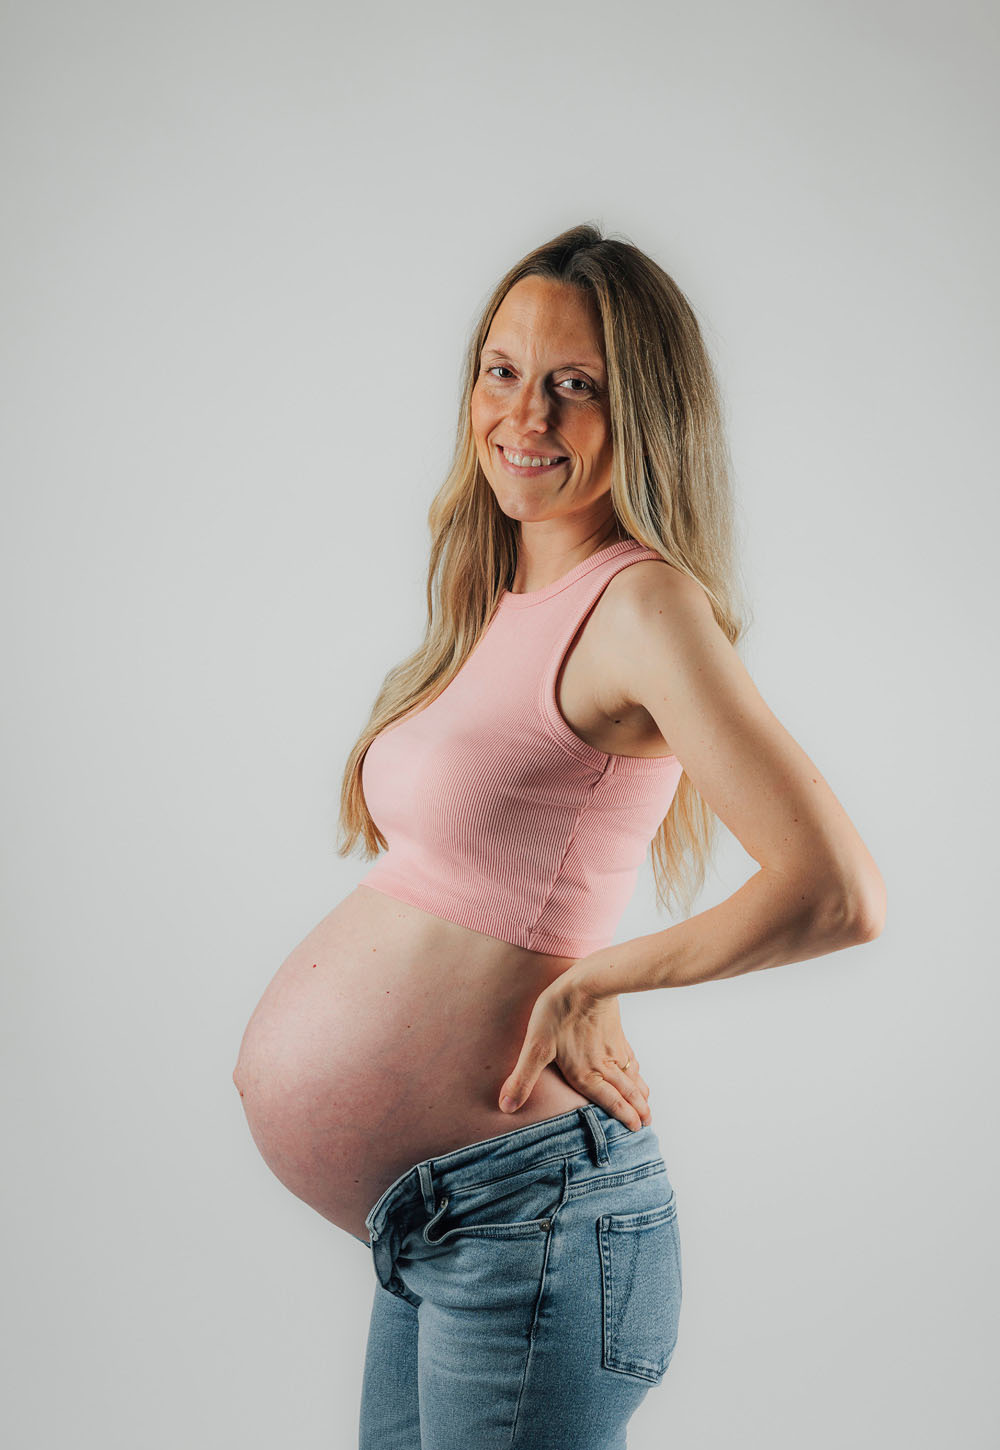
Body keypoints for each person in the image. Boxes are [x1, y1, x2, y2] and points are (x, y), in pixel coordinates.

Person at [232, 222, 886, 1449]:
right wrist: (572, 960)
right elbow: (528, 861)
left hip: (533, 1224)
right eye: (500, 369)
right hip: (442, 1218)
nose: (522, 413)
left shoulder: (642, 601)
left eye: (572, 385)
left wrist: (598, 977)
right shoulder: (499, 593)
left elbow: (834, 888)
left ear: (640, 411)